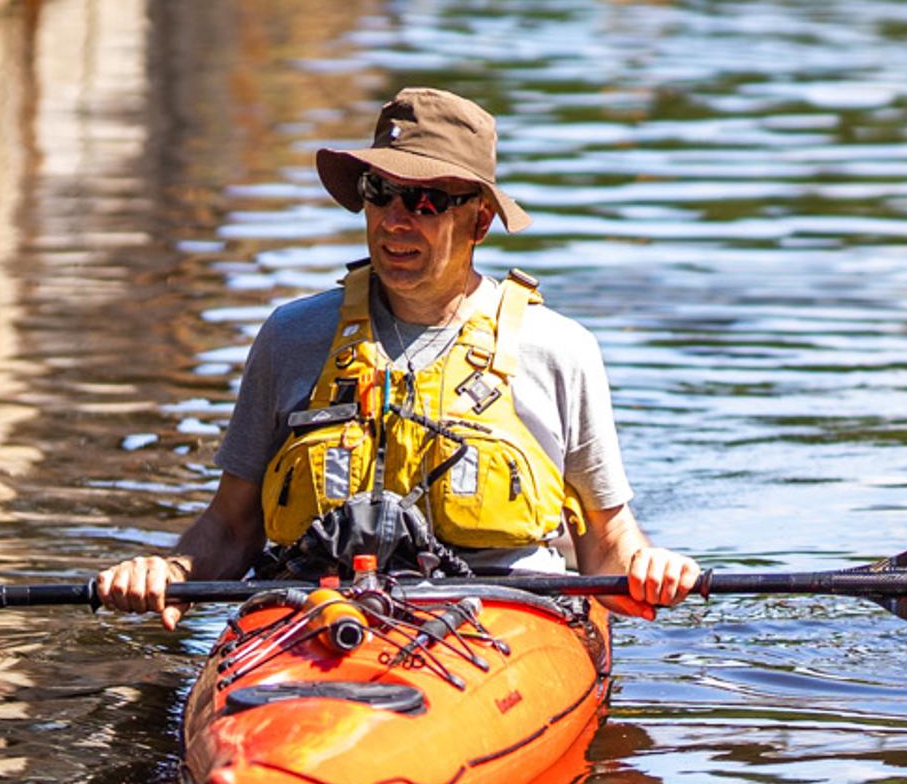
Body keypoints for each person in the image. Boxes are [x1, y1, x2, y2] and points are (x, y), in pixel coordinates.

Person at [98, 88, 703, 624]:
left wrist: (648, 567)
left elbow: (606, 544)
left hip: (506, 624)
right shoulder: (290, 337)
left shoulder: (560, 351)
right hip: (313, 617)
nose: (395, 220)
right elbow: (232, 527)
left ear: (481, 220)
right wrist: (170, 572)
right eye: (379, 191)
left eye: (426, 201)